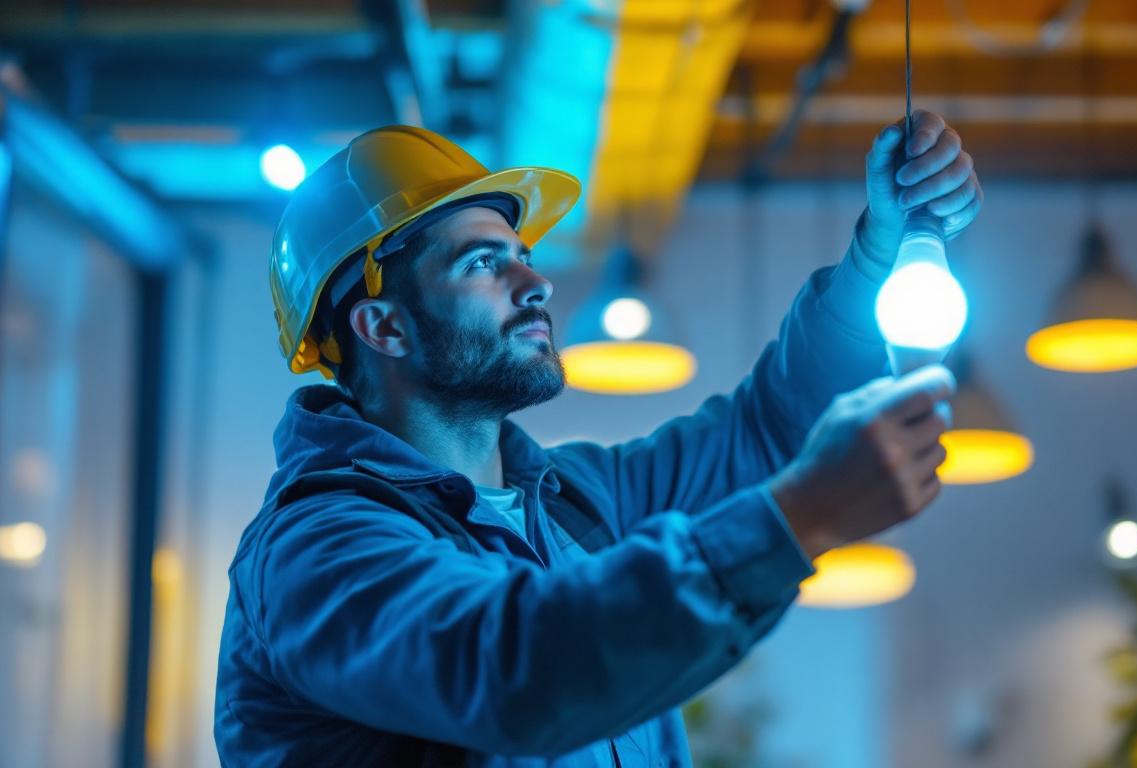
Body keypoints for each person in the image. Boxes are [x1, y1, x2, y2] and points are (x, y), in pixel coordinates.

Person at [215, 109, 983, 767]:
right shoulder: (318, 552)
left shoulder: (573, 504)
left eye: (523, 256)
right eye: (483, 264)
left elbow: (767, 431)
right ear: (382, 325)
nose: (535, 283)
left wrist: (878, 255)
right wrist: (797, 519)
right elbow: (515, 667)